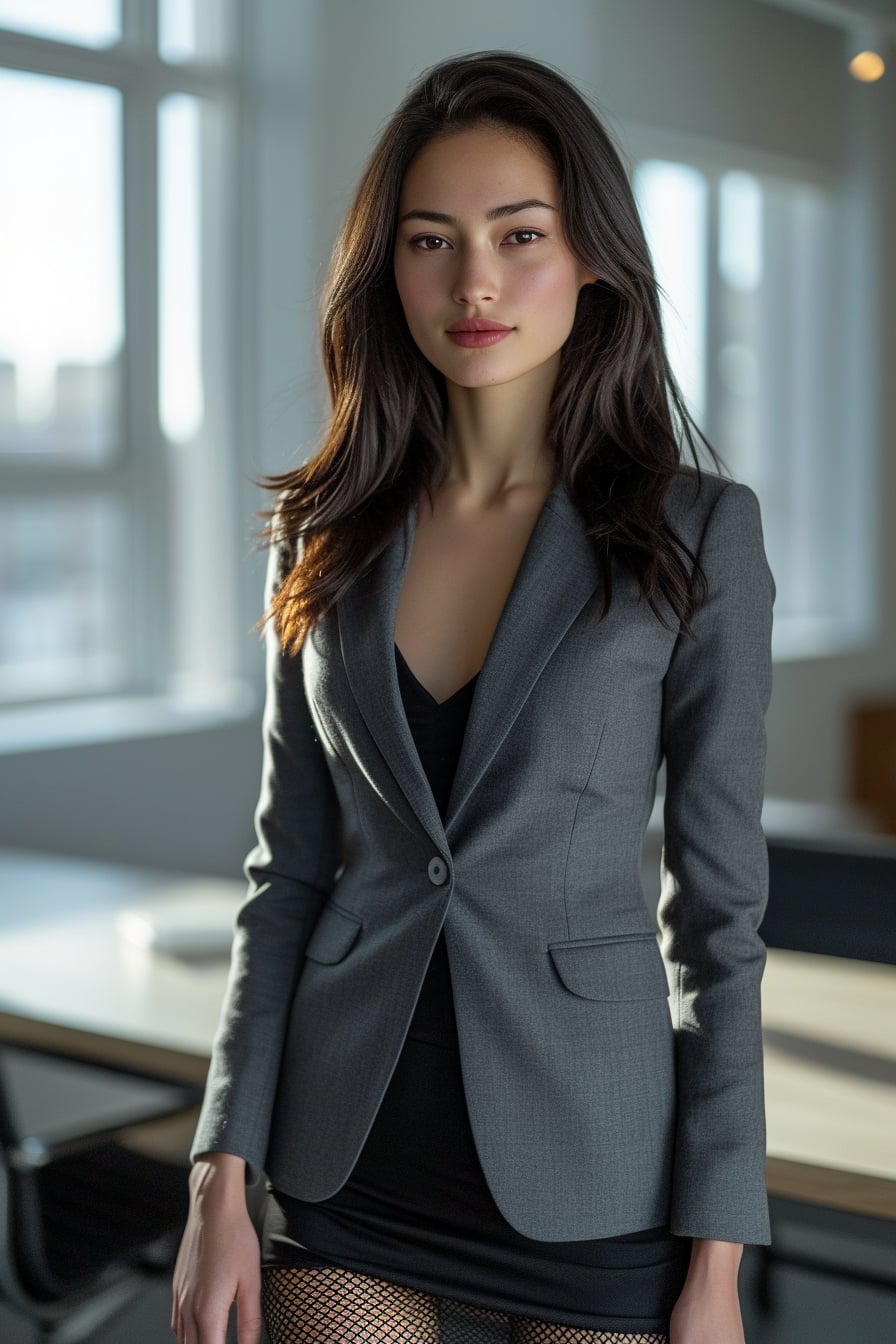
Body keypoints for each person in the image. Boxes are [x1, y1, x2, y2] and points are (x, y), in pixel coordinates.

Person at [172, 50, 775, 1344]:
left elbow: (720, 920)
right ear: (388, 274)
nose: (475, 283)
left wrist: (720, 1266)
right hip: (349, 1163)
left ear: (596, 257)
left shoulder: (694, 536)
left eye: (521, 235)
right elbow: (288, 875)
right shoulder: (323, 537)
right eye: (431, 241)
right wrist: (217, 1176)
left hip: (597, 1170)